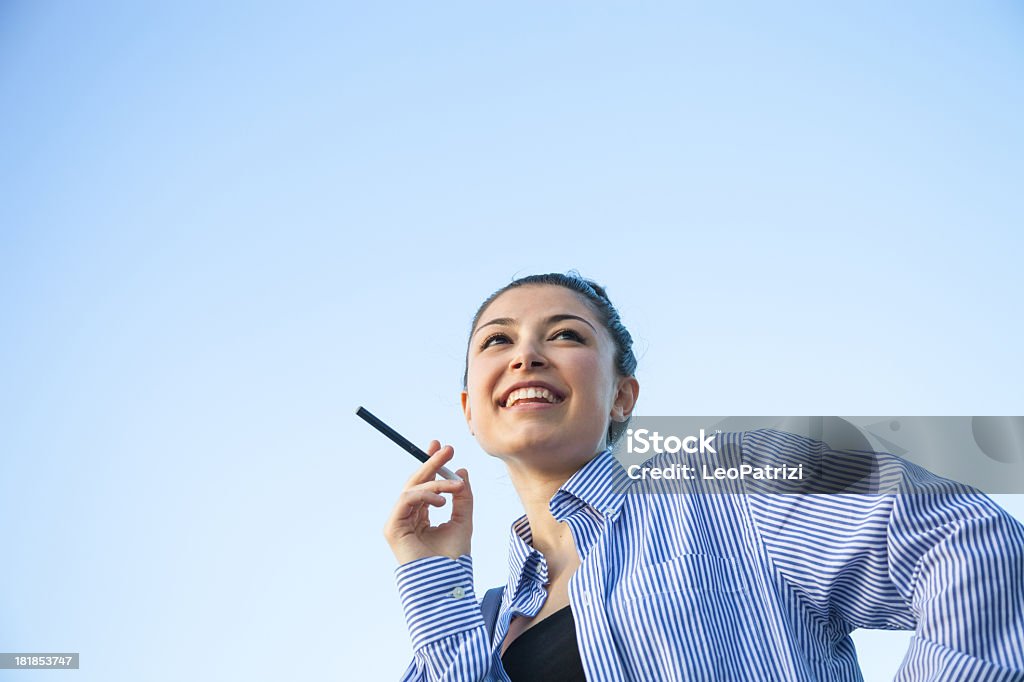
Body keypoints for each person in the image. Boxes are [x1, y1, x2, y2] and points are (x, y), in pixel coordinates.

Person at [383, 272, 1024, 681]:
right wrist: (433, 576)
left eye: (565, 334)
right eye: (496, 341)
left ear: (621, 398)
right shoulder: (488, 620)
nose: (526, 353)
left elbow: (970, 543)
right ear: (471, 409)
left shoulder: (729, 481)